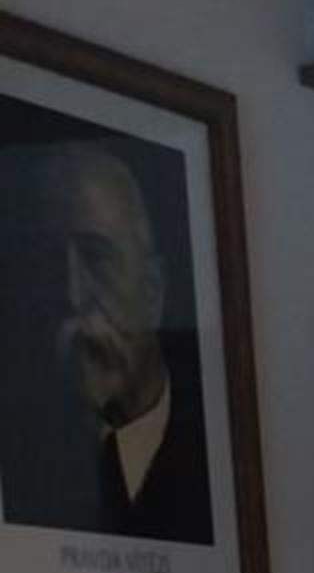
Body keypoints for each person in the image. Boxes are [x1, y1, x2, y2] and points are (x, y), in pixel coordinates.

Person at [0, 136, 213, 546]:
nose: (71, 294)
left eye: (96, 258)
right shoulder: (20, 453)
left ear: (153, 291)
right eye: (47, 263)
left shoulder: (213, 451)